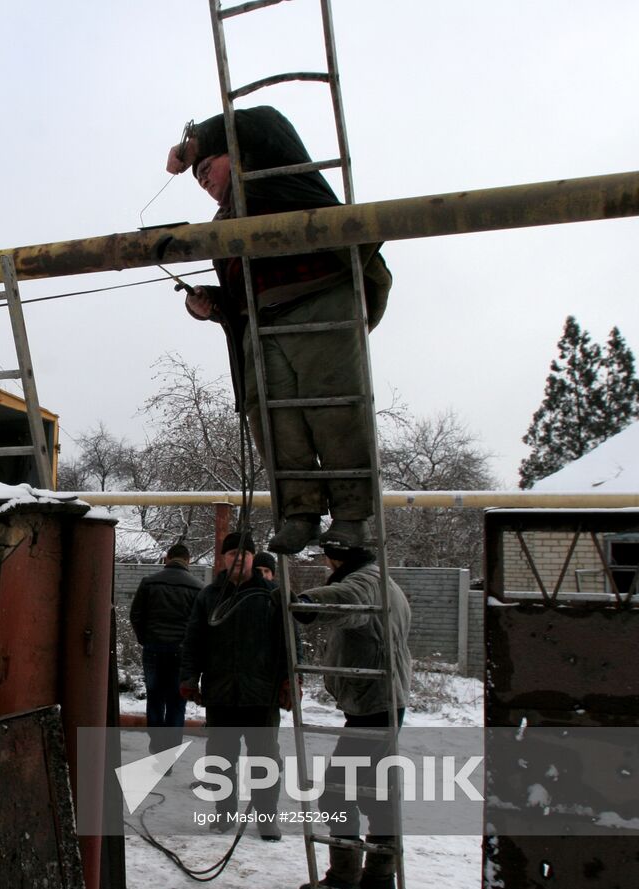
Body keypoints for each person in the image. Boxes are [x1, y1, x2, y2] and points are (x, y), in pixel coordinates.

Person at [165, 107, 393, 555]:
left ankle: (351, 515)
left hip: (319, 296)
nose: (204, 181)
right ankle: (301, 513)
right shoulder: (223, 225)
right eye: (198, 177)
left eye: (207, 168)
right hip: (261, 321)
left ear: (237, 153)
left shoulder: (277, 174)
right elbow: (240, 292)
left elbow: (262, 119)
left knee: (332, 407)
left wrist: (192, 143)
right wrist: (210, 305)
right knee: (272, 418)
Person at [292, 543, 412, 889]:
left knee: (336, 791)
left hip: (374, 704)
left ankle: (343, 878)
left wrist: (306, 603)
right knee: (377, 793)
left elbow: (350, 597)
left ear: (336, 558)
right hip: (382, 700)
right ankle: (379, 876)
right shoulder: (383, 578)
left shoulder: (367, 581)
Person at [179, 533, 287, 838]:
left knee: (265, 760)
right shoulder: (209, 596)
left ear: (253, 557)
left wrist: (291, 679)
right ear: (223, 558)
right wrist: (189, 677)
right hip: (221, 694)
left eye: (245, 553)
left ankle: (267, 819)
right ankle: (224, 814)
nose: (238, 558)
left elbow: (288, 642)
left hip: (261, 696)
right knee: (220, 759)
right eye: (231, 553)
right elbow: (193, 641)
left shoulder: (271, 594)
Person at [129, 542, 203, 753]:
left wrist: (146, 639)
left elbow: (135, 616)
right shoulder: (197, 587)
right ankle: (169, 752)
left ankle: (156, 744)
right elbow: (199, 626)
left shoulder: (149, 583)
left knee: (155, 698)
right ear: (188, 561)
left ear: (167, 558)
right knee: (177, 702)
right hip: (181, 653)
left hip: (153, 649)